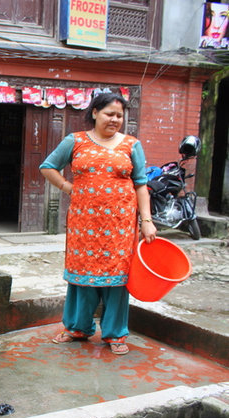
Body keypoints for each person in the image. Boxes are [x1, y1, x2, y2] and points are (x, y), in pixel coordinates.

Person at [39, 92, 156, 356]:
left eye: (119, 115)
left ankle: (114, 334)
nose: (115, 119)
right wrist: (69, 187)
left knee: (117, 278)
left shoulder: (131, 145)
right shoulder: (75, 141)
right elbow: (48, 167)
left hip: (121, 224)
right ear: (94, 113)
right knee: (83, 276)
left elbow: (140, 185)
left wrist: (146, 220)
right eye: (109, 114)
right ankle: (77, 328)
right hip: (84, 223)